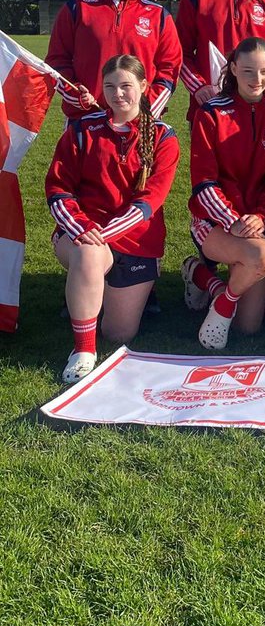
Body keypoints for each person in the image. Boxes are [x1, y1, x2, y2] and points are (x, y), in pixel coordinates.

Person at [45, 55, 180, 383]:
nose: (118, 94)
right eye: (110, 87)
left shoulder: (163, 136)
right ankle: (83, 349)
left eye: (126, 86)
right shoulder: (81, 130)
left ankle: (95, 291)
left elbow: (149, 202)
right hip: (84, 234)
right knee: (89, 255)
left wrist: (103, 232)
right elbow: (57, 188)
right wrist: (83, 228)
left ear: (144, 87)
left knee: (119, 334)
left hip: (136, 239)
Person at [184, 37, 265, 350]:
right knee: (263, 255)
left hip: (256, 223)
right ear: (232, 68)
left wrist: (260, 218)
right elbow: (203, 183)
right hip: (217, 223)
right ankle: (222, 300)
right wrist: (233, 221)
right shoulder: (211, 113)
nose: (256, 79)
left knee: (249, 328)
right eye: (247, 71)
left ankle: (211, 284)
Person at [46, 0, 182, 121]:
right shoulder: (78, 7)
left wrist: (147, 108)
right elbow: (57, 59)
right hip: (85, 116)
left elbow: (170, 68)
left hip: (139, 120)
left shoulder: (158, 16)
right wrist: (76, 93)